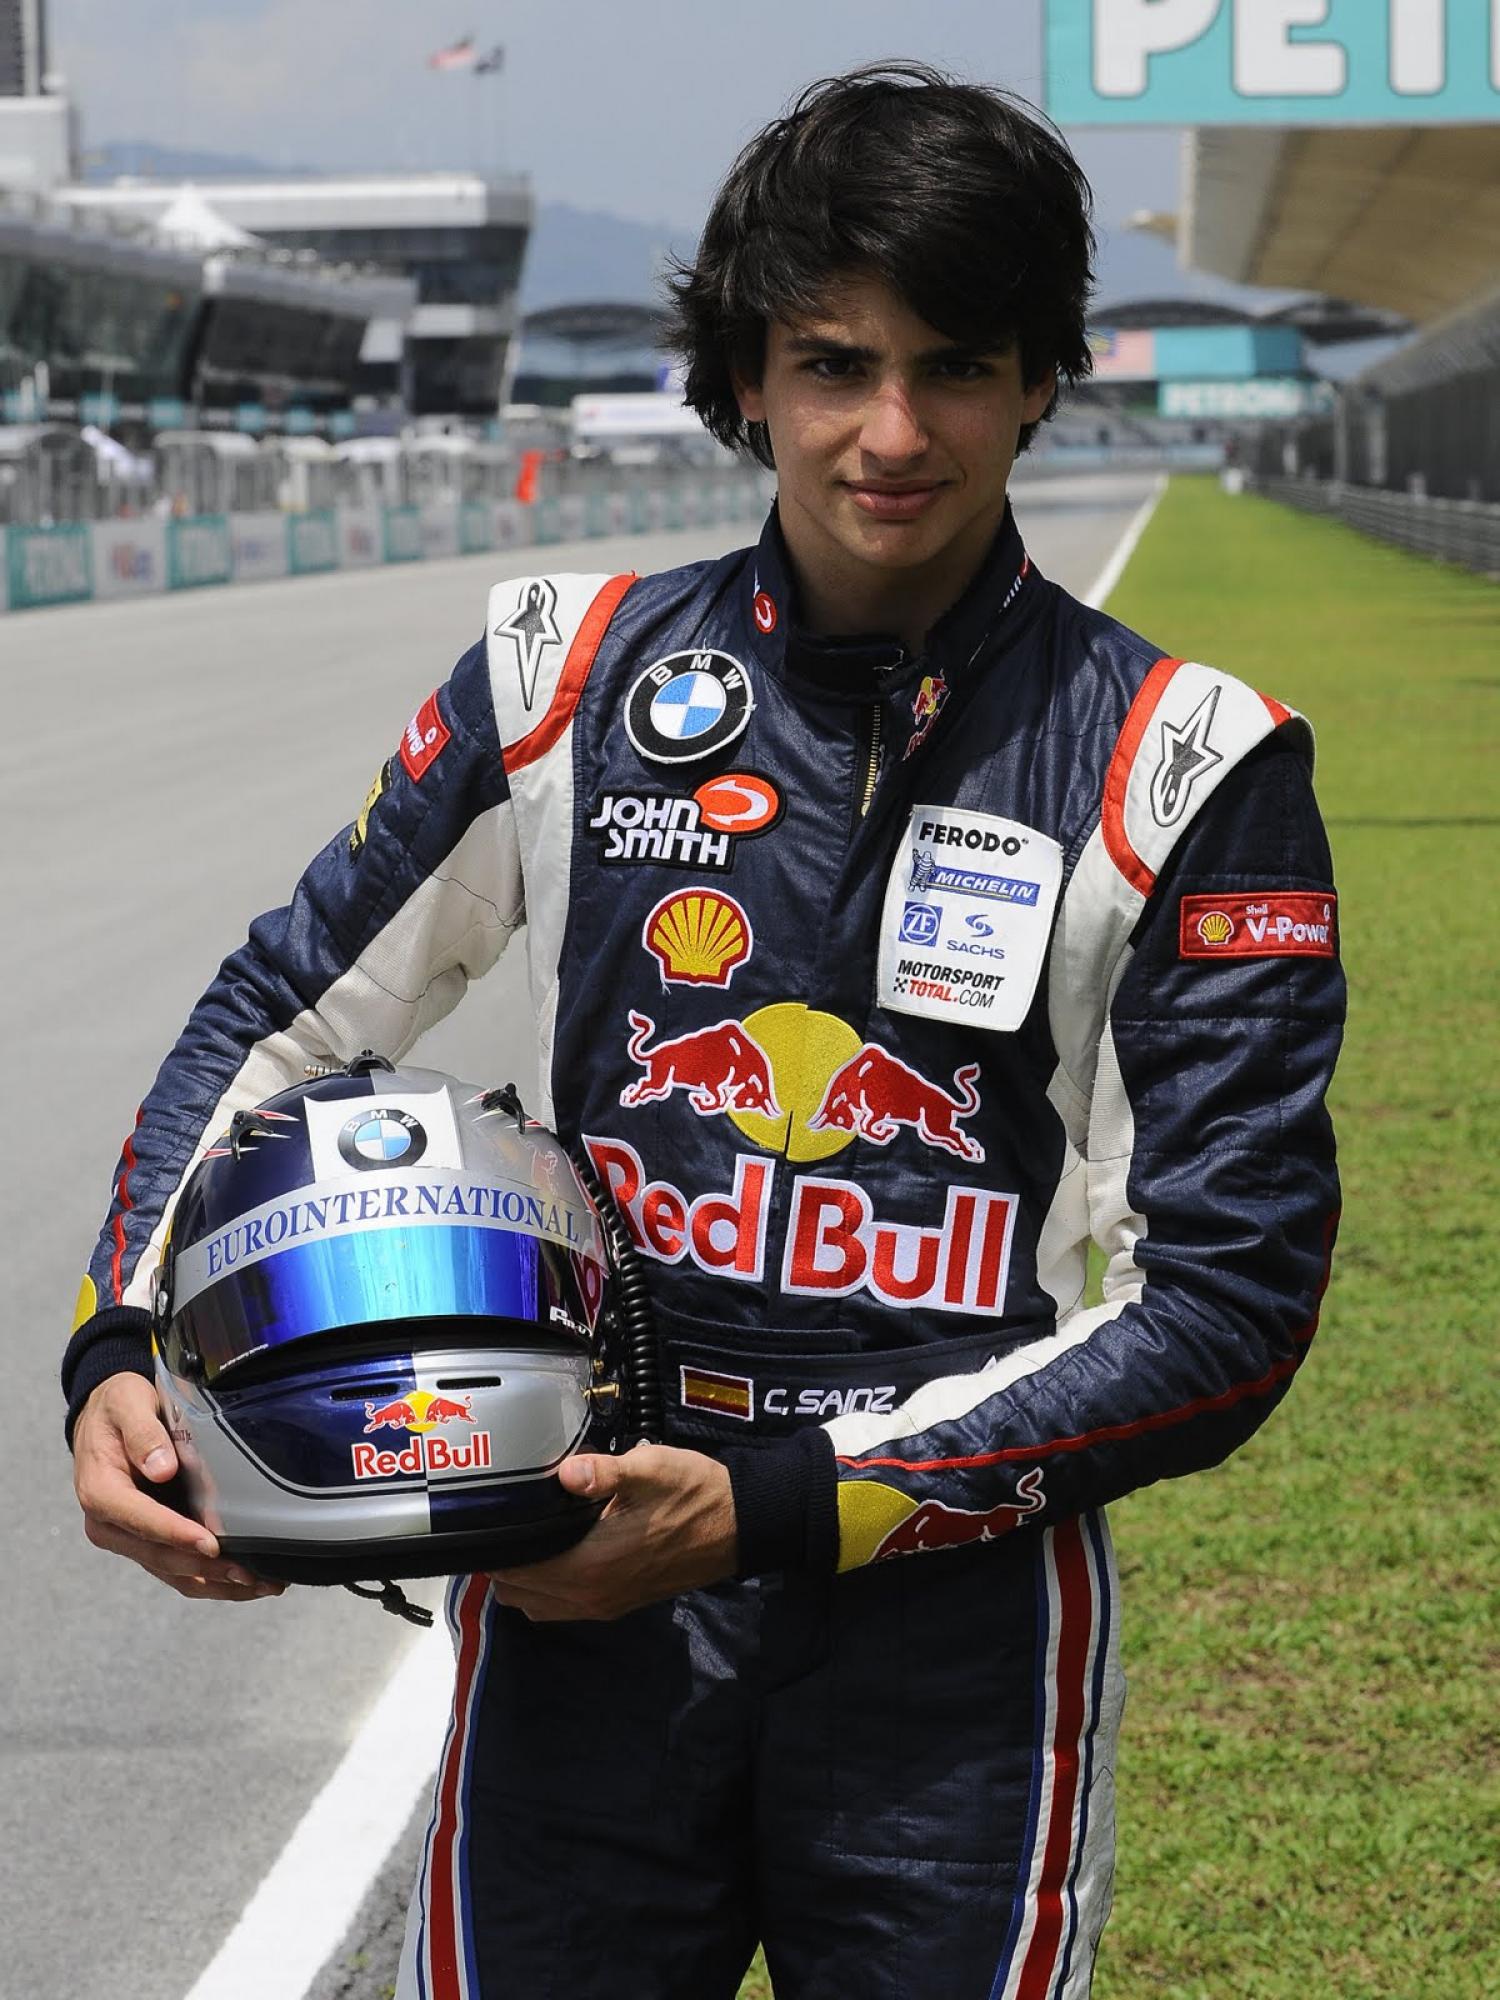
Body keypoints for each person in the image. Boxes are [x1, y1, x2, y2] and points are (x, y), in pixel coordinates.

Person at [64, 64, 1344, 2000]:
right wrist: (119, 1340)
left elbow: (1233, 1302)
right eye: (834, 365)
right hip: (580, 1588)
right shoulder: (563, 674)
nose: (892, 432)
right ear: (745, 374)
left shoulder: (1190, 760)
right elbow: (287, 1007)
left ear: (1042, 379)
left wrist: (770, 1511)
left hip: (951, 1635)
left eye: (955, 366)